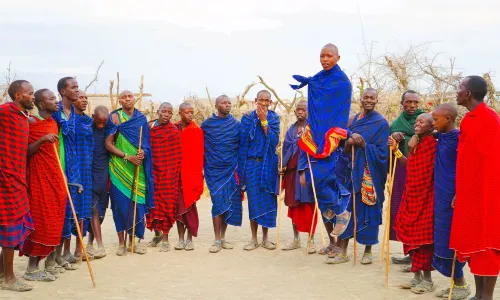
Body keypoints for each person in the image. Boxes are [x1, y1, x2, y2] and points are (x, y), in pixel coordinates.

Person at [290, 44, 352, 242]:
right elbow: (315, 102)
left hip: (333, 134)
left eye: (329, 56)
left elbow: (340, 108)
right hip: (316, 132)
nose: (325, 59)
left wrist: (333, 131)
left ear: (338, 58)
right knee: (312, 180)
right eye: (322, 56)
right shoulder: (318, 78)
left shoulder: (342, 82)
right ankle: (334, 208)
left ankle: (341, 210)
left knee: (321, 176)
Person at [410, 104, 471, 299]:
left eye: (436, 120)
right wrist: (415, 136)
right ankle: (456, 283)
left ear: (449, 119)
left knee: (452, 241)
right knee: (442, 239)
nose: (433, 123)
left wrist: (460, 192)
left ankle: (461, 285)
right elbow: (426, 134)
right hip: (439, 197)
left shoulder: (459, 139)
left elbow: (467, 166)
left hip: (453, 198)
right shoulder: (442, 136)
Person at [450, 76, 500, 300]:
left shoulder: (489, 119)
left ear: (468, 93)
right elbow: (467, 160)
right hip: (470, 192)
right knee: (473, 241)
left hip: (488, 193)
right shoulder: (469, 120)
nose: (457, 91)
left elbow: (492, 161)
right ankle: (479, 294)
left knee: (488, 241)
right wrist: (460, 192)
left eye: (460, 87)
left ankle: (487, 297)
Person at [332, 88, 389, 265]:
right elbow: (344, 148)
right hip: (351, 173)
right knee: (346, 209)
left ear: (377, 100)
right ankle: (342, 251)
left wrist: (365, 146)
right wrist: (350, 142)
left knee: (369, 209)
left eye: (372, 98)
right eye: (366, 97)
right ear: (361, 99)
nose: (369, 100)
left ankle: (368, 250)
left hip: (370, 174)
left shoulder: (381, 123)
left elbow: (382, 153)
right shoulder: (354, 120)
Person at [20, 89, 66, 282]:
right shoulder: (31, 122)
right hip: (38, 179)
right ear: (40, 104)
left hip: (54, 177)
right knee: (41, 220)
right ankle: (31, 269)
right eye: (52, 99)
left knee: (54, 221)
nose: (56, 101)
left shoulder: (53, 123)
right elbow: (25, 152)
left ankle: (42, 264)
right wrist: (41, 140)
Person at [105, 90, 154, 256]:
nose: (127, 99)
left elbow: (146, 144)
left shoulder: (141, 119)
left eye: (130, 96)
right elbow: (108, 143)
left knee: (137, 205)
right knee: (120, 206)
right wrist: (127, 156)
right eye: (124, 97)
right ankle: (121, 243)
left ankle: (134, 241)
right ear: (120, 100)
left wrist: (143, 153)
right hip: (119, 167)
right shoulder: (115, 117)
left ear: (134, 99)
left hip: (137, 168)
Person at [393, 113, 437, 294]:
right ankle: (416, 277)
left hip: (426, 198)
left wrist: (418, 138)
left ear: (431, 126)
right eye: (417, 122)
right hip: (411, 195)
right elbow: (409, 165)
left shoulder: (435, 145)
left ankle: (428, 280)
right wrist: (396, 150)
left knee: (424, 241)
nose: (417, 124)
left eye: (422, 122)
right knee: (410, 235)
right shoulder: (414, 143)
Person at [0, 80, 35, 292]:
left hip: (19, 178)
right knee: (9, 228)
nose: (32, 96)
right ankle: (9, 279)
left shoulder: (24, 117)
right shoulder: (4, 111)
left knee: (13, 226)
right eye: (29, 93)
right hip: (5, 180)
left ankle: (3, 272)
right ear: (18, 96)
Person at [201, 95, 243, 253]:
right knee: (217, 204)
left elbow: (241, 146)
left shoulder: (235, 125)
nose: (227, 105)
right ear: (216, 105)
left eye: (229, 103)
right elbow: (201, 147)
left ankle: (223, 238)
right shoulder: (207, 125)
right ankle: (216, 240)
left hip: (231, 169)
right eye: (224, 103)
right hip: (214, 171)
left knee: (227, 204)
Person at [239, 90, 280, 251]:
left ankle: (265, 238)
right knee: (254, 202)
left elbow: (274, 142)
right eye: (261, 100)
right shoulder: (247, 118)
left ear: (270, 102)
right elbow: (242, 144)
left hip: (268, 164)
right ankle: (253, 239)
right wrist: (241, 170)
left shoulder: (274, 118)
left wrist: (264, 122)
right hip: (251, 165)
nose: (263, 103)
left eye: (266, 100)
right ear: (256, 100)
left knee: (268, 201)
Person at [389, 90, 424, 268]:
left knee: (418, 213)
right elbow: (388, 147)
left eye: (415, 102)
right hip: (402, 171)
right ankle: (409, 253)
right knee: (403, 211)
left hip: (422, 171)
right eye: (408, 102)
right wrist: (394, 139)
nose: (412, 106)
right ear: (402, 103)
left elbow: (433, 137)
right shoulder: (396, 123)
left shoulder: (426, 120)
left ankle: (419, 256)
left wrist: (416, 136)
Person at [280, 100, 317, 253]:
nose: (300, 112)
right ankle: (296, 239)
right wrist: (282, 164)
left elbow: (316, 149)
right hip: (291, 173)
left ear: (308, 111)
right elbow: (286, 148)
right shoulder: (291, 130)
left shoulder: (313, 128)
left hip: (307, 173)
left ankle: (311, 240)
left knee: (308, 206)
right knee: (293, 206)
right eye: (298, 110)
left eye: (303, 110)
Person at [52, 77, 80, 270]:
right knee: (57, 213)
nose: (77, 90)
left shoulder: (76, 115)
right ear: (63, 91)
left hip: (73, 167)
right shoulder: (56, 113)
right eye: (74, 87)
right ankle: (51, 258)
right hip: (57, 165)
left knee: (69, 213)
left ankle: (61, 256)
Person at [146, 102, 182, 252]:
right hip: (152, 172)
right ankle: (157, 234)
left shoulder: (173, 131)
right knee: (153, 205)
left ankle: (165, 238)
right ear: (158, 112)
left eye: (169, 112)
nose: (166, 115)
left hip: (169, 175)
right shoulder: (150, 128)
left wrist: (173, 173)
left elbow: (177, 155)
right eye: (164, 111)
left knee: (167, 204)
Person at [174, 102, 204, 251]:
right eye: (187, 112)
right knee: (179, 207)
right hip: (176, 175)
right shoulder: (173, 129)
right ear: (180, 113)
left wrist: (198, 176)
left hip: (191, 175)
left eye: (192, 112)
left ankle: (190, 238)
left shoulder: (197, 131)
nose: (190, 115)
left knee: (190, 206)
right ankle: (180, 238)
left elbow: (199, 155)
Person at [72, 90, 94, 261]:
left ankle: (79, 250)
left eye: (86, 98)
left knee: (84, 208)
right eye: (81, 97)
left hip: (86, 169)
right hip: (71, 168)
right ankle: (62, 253)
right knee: (68, 209)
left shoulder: (88, 121)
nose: (84, 100)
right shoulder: (66, 119)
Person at [86, 105, 110, 259]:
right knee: (93, 211)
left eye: (104, 122)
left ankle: (90, 243)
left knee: (100, 213)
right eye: (99, 122)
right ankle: (100, 246)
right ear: (93, 116)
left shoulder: (110, 130)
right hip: (90, 175)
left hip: (104, 176)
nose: (101, 125)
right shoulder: (86, 128)